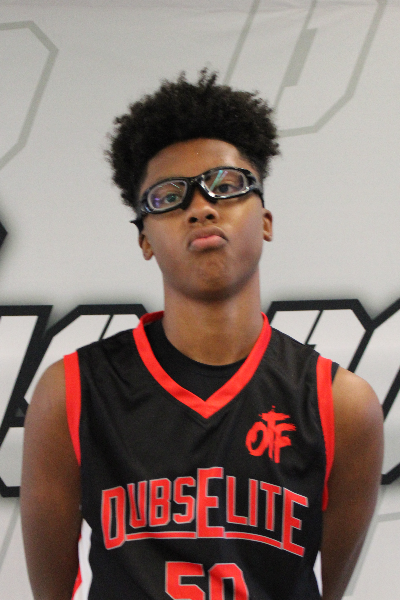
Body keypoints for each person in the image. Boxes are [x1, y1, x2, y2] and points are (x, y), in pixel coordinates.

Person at [21, 70, 383, 600]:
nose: (201, 207)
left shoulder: (342, 405)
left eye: (227, 186)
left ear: (266, 220)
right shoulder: (72, 392)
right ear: (145, 240)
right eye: (169, 196)